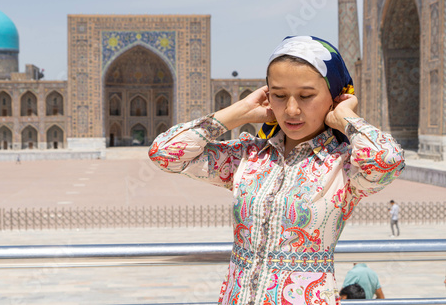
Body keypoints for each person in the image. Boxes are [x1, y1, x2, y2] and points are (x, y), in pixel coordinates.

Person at [149, 36, 405, 304]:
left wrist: (347, 118)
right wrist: (240, 111)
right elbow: (165, 153)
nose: (291, 109)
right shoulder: (248, 157)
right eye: (280, 96)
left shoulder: (344, 166)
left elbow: (388, 160)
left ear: (334, 97)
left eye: (306, 96)